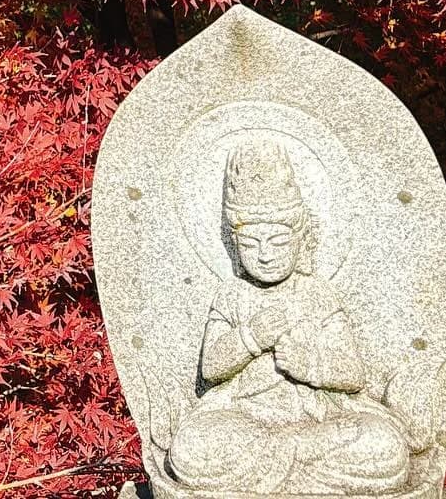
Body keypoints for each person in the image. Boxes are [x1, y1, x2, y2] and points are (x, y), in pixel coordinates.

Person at [166, 141, 413, 496]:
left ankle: (279, 466)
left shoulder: (317, 294)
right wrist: (251, 337)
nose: (265, 255)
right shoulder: (231, 294)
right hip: (245, 418)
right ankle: (300, 467)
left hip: (320, 420)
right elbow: (211, 368)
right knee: (192, 447)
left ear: (301, 239)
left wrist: (310, 363)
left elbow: (353, 374)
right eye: (250, 244)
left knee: (383, 445)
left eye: (279, 242)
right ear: (233, 245)